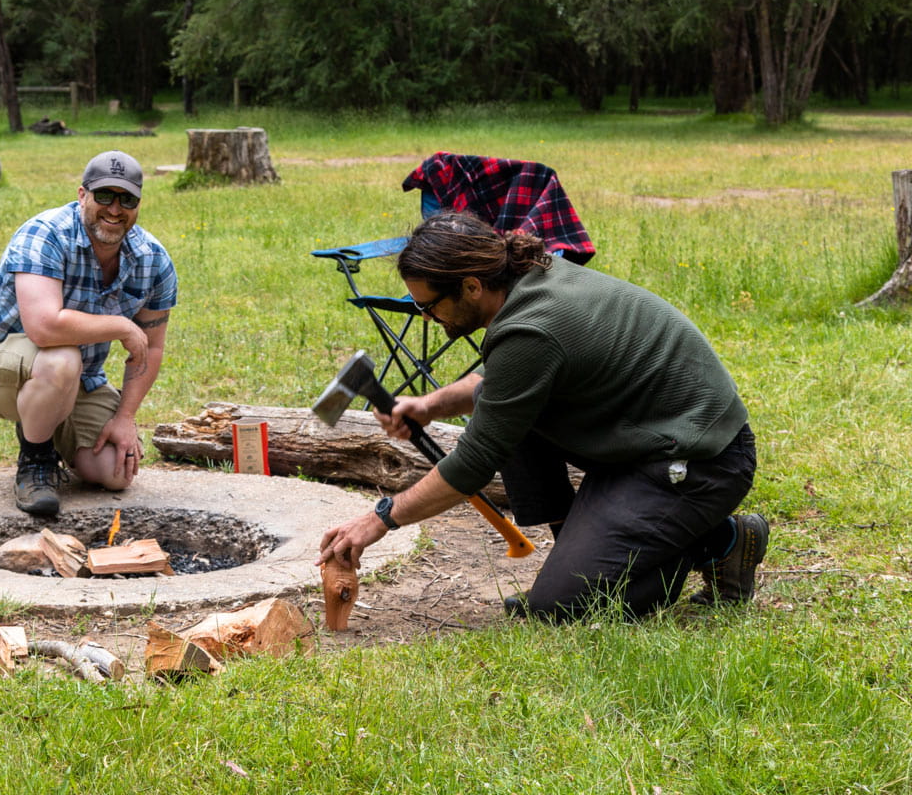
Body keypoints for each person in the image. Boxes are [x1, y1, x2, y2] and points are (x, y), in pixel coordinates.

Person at [316, 211, 767, 621]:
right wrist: (431, 404)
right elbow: (506, 389)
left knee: (566, 607)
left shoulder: (530, 328)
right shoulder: (529, 279)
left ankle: (721, 543)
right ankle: (592, 546)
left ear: (471, 286)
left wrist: (378, 519)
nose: (427, 317)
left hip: (698, 461)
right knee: (511, 426)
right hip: (644, 439)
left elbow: (474, 463)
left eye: (429, 305)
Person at [0, 151, 176, 517]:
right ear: (82, 195)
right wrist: (121, 325)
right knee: (62, 356)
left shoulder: (152, 259)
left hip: (80, 379)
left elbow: (151, 348)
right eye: (104, 195)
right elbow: (44, 328)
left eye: (127, 199)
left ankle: (48, 425)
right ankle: (35, 459)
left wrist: (125, 417)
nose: (115, 209)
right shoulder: (44, 234)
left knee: (115, 471)